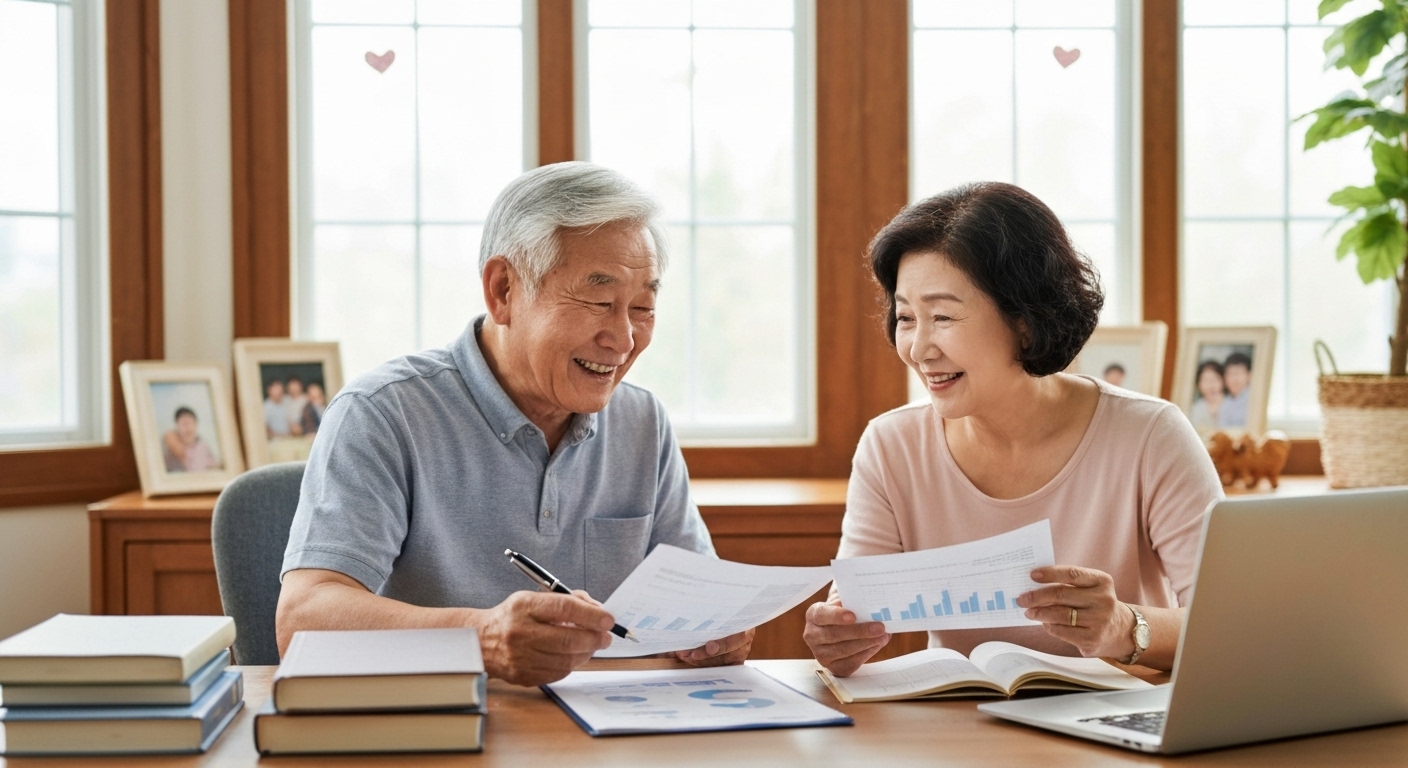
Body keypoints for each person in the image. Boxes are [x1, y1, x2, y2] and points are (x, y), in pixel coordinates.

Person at [277, 162, 753, 686]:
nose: (624, 339)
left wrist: (714, 637)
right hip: (442, 735)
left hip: (610, 735)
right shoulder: (383, 413)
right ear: (503, 291)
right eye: (598, 301)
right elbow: (303, 621)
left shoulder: (642, 422)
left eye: (642, 306)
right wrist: (482, 638)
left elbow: (699, 605)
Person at [803, 182, 1221, 676]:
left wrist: (1124, 627)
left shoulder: (1150, 435)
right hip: (966, 736)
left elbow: (1234, 628)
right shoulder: (892, 446)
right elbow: (850, 613)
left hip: (1116, 734)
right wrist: (836, 636)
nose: (918, 347)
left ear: (1025, 321)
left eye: (942, 316)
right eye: (906, 317)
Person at [161, 406, 219, 472]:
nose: (187, 428)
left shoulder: (203, 447)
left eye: (190, 423)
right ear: (177, 426)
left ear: (196, 425)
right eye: (183, 424)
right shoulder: (172, 447)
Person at [1217, 352, 1252, 428]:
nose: (1234, 379)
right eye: (1230, 374)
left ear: (1249, 375)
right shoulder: (1226, 403)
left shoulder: (1254, 399)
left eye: (1238, 373)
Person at [1188, 360, 1225, 431]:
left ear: (1223, 381)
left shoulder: (1231, 404)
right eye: (1205, 380)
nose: (1210, 385)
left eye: (1214, 379)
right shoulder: (1196, 409)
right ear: (1198, 385)